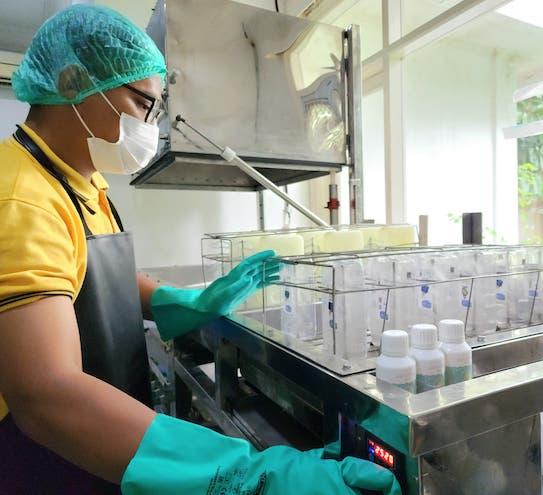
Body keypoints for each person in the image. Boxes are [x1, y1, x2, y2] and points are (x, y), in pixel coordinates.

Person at [0, 5, 401, 495]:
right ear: (71, 82)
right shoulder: (21, 196)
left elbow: (90, 277)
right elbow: (47, 396)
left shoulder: (79, 181)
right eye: (142, 103)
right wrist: (248, 475)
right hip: (50, 457)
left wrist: (187, 301)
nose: (151, 123)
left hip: (98, 447)